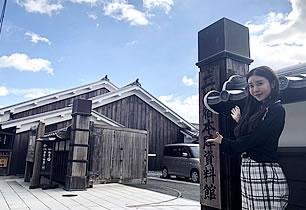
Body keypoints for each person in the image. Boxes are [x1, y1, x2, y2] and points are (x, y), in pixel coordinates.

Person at [207, 66, 289, 210]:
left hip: (264, 171)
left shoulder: (276, 109)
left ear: (273, 84)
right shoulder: (259, 109)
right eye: (251, 86)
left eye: (260, 83)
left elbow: (258, 138)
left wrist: (225, 142)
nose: (255, 89)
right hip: (249, 170)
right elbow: (251, 135)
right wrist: (240, 121)